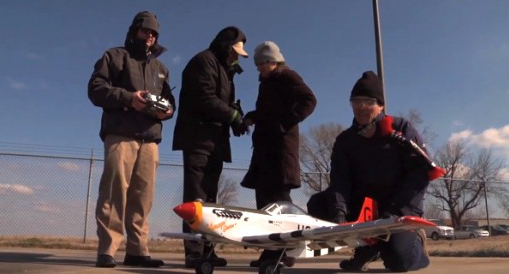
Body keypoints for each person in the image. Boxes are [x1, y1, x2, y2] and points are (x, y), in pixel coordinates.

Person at [88, 11, 175, 268]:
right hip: (120, 135)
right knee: (115, 192)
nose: (150, 36)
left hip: (150, 140)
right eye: (146, 30)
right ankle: (108, 249)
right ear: (134, 30)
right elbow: (95, 89)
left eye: (154, 33)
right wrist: (129, 98)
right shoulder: (114, 57)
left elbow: (170, 103)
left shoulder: (161, 69)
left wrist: (168, 111)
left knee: (143, 197)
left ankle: (137, 250)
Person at [322, 71, 431, 272]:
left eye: (368, 101)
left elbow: (421, 173)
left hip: (399, 207)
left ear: (380, 105)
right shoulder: (345, 140)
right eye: (356, 101)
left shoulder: (401, 128)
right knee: (318, 204)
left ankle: (415, 243)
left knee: (399, 262)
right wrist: (339, 211)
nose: (361, 107)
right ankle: (367, 247)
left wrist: (397, 210)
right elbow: (340, 178)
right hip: (365, 207)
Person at [172, 26, 249, 268]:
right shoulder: (203, 62)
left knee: (211, 198)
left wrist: (235, 118)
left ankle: (208, 249)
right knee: (196, 197)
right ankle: (194, 251)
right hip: (198, 138)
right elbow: (205, 98)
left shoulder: (225, 70)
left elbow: (224, 102)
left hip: (215, 139)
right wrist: (232, 116)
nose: (237, 57)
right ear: (226, 47)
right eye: (235, 51)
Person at [240, 41, 317, 267]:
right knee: (265, 204)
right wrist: (253, 117)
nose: (258, 69)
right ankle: (271, 252)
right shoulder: (267, 83)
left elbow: (309, 100)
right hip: (265, 151)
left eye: (260, 64)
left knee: (279, 202)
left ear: (271, 61)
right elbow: (268, 112)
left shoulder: (287, 77)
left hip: (279, 150)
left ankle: (284, 251)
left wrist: (284, 124)